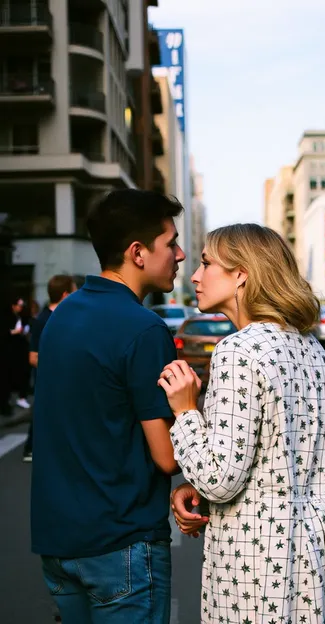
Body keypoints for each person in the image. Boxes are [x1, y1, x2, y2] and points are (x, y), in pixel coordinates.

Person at [160, 224, 325, 624]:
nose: (196, 276)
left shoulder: (238, 350)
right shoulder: (313, 350)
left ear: (241, 274)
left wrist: (185, 411)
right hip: (317, 545)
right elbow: (317, 465)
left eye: (206, 263)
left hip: (257, 557)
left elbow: (220, 479)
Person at [31, 189, 185, 623]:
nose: (181, 253)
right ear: (138, 252)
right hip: (121, 544)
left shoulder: (62, 315)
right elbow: (167, 457)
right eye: (170, 242)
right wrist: (188, 407)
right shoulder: (144, 329)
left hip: (58, 541)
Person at [22, 275, 76, 462]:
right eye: (74, 291)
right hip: (48, 380)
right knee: (43, 414)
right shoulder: (43, 320)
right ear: (65, 294)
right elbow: (32, 356)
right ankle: (31, 448)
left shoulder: (65, 318)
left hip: (63, 380)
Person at [8, 297, 31, 409]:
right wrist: (14, 332)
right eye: (19, 305)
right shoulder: (8, 318)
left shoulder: (23, 316)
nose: (21, 308)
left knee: (24, 372)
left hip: (21, 348)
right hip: (11, 350)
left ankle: (22, 397)